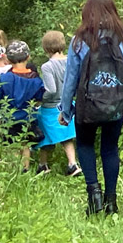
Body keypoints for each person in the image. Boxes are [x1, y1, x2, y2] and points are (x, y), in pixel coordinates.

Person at [59, 0, 123, 216]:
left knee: (86, 145)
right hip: (116, 105)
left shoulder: (79, 40)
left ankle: (93, 196)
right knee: (110, 148)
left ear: (86, 12)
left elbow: (71, 79)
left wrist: (66, 110)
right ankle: (111, 202)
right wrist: (121, 85)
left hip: (87, 105)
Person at [0, 40, 45, 172]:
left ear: (8, 59)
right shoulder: (36, 79)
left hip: (10, 118)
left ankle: (15, 169)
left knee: (13, 144)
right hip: (29, 117)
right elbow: (40, 98)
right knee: (26, 144)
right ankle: (25, 168)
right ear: (28, 57)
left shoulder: (5, 78)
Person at [35, 30, 81, 176]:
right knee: (66, 137)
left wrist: (39, 98)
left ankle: (43, 165)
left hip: (50, 108)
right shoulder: (70, 61)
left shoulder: (47, 67)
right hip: (68, 105)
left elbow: (51, 89)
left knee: (45, 137)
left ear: (46, 48)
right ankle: (72, 164)